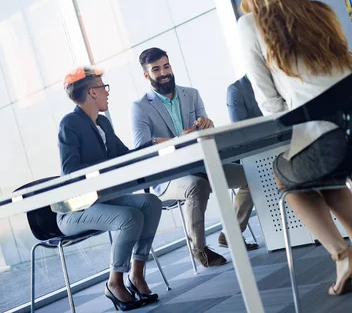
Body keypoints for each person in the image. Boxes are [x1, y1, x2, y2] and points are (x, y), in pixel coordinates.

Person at [238, 0, 352, 296]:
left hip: (327, 143)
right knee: (321, 173)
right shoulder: (321, 12)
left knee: (288, 178)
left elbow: (269, 104)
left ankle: (341, 255)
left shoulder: (249, 24)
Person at [130, 48, 257, 269]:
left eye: (166, 66)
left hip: (201, 164)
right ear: (146, 75)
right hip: (168, 176)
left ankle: (231, 233)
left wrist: (207, 124)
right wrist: (178, 139)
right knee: (197, 186)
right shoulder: (140, 107)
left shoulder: (192, 94)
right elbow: (143, 147)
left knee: (252, 175)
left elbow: (206, 130)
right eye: (156, 69)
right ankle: (199, 249)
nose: (163, 73)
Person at [58, 67, 161, 311]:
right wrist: (107, 168)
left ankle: (136, 275)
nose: (107, 93)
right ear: (92, 92)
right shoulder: (70, 123)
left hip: (103, 200)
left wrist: (154, 144)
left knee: (151, 203)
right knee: (129, 218)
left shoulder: (102, 122)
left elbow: (124, 157)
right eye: (104, 88)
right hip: (74, 210)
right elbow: (70, 170)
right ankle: (114, 283)